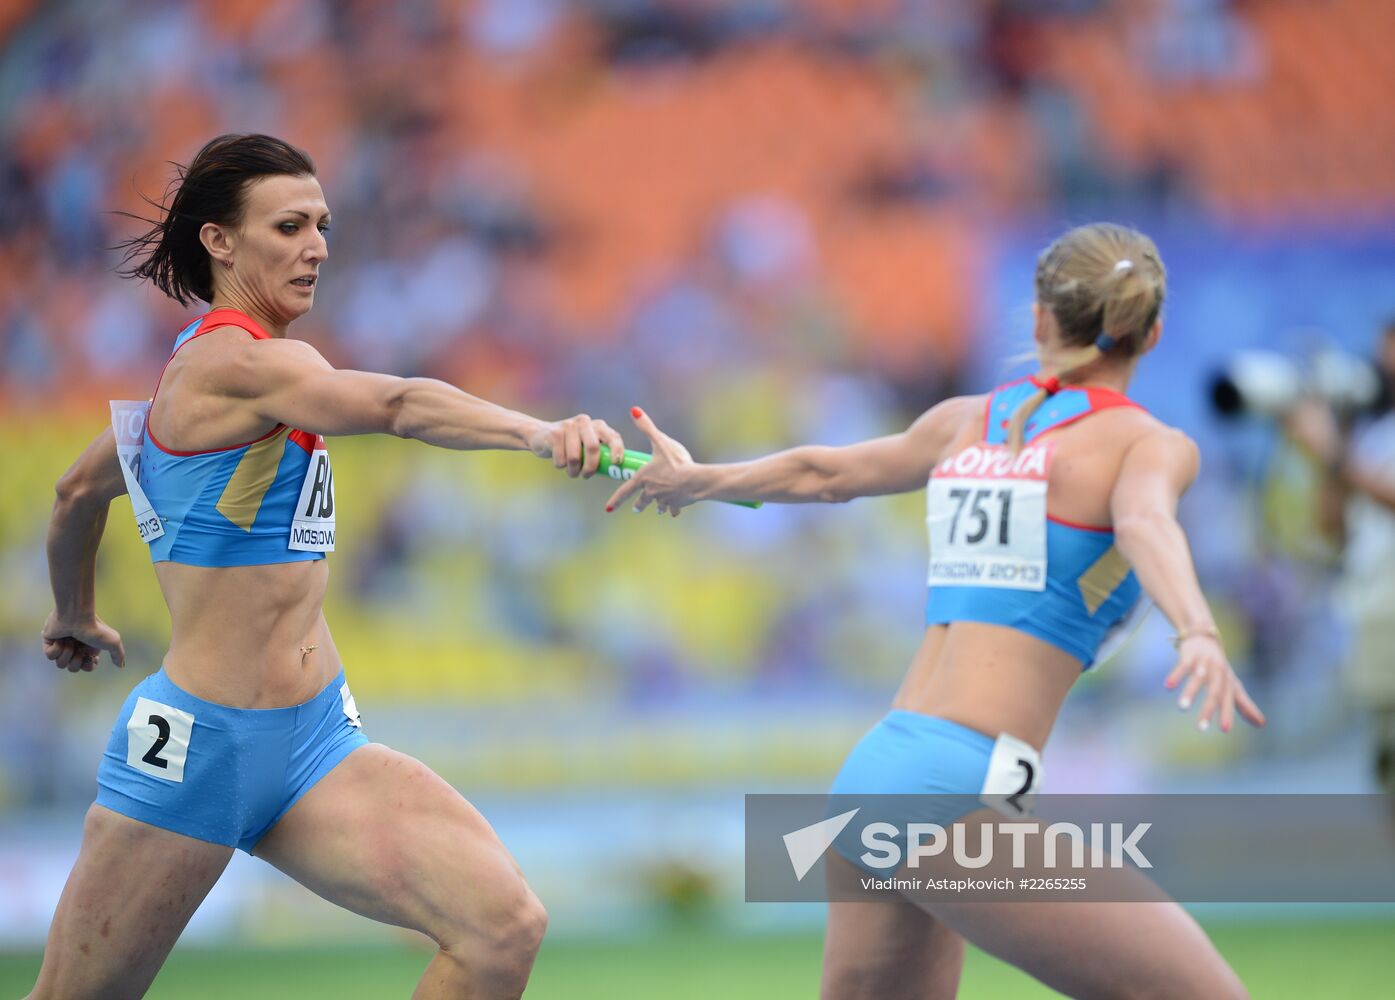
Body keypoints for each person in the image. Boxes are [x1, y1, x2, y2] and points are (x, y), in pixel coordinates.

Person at [33, 133, 625, 1000]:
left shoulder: (192, 384)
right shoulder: (242, 366)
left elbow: (76, 492)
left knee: (501, 929)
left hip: (314, 742)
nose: (315, 247)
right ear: (218, 241)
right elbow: (397, 403)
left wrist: (73, 613)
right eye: (288, 227)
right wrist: (537, 432)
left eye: (322, 225)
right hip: (201, 749)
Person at [605, 222, 1266, 998]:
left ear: (1038, 320)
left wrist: (699, 480)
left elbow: (825, 474)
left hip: (884, 766)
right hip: (954, 786)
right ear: (1150, 333)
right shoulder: (1146, 444)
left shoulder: (964, 421)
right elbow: (1145, 521)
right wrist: (1196, 629)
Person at [1287, 320, 1395, 800]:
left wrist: (1330, 450)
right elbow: (1331, 526)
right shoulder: (1375, 435)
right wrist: (1338, 433)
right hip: (1376, 619)